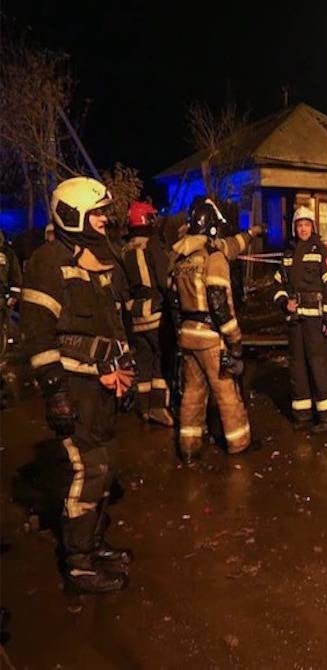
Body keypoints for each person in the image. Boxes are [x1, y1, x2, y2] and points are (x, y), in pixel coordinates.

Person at [20, 177, 135, 593]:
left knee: (107, 467)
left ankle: (94, 545)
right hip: (74, 387)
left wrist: (125, 368)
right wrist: (55, 394)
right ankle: (79, 564)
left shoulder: (95, 259)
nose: (104, 219)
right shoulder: (47, 263)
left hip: (102, 385)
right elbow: (38, 337)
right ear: (73, 215)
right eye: (97, 212)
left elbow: (112, 323)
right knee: (90, 469)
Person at [170, 196, 263, 464]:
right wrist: (234, 339)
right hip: (211, 337)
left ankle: (189, 447)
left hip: (188, 335)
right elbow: (219, 301)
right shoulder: (214, 258)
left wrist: (251, 233)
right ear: (212, 227)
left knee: (193, 392)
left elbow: (174, 301)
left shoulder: (181, 260)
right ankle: (239, 443)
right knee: (226, 391)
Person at [273, 206, 327, 432]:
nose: (303, 229)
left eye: (306, 225)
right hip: (295, 319)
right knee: (297, 367)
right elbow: (277, 285)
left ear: (313, 227)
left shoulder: (322, 251)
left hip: (316, 320)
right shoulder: (288, 255)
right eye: (299, 225)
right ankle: (302, 415)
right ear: (295, 228)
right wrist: (284, 303)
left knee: (319, 365)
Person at [122, 201, 173, 426]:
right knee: (162, 359)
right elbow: (163, 280)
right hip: (156, 313)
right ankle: (159, 408)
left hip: (135, 316)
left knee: (143, 361)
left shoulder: (125, 251)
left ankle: (143, 408)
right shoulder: (153, 246)